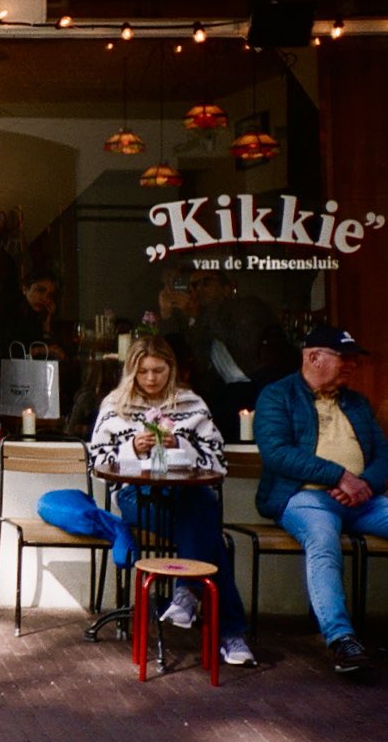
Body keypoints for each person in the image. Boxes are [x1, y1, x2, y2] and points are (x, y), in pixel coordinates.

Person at [87, 336, 256, 667]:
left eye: (159, 371)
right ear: (131, 372)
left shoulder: (191, 403)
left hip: (185, 493)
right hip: (138, 494)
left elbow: (218, 462)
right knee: (209, 531)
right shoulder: (114, 405)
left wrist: (180, 442)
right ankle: (221, 624)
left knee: (201, 503)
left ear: (172, 369)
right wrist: (132, 448)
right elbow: (98, 461)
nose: (151, 379)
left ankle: (187, 596)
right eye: (143, 372)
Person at [253, 325, 388, 675]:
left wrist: (363, 484)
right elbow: (277, 453)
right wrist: (339, 476)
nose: (352, 367)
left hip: (363, 499)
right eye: (344, 359)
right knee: (323, 541)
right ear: (313, 357)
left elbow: (384, 456)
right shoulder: (276, 396)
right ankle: (342, 639)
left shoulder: (356, 402)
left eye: (354, 361)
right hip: (305, 497)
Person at [159, 268, 295, 440]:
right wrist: (167, 314)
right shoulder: (202, 319)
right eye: (193, 285)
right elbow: (192, 359)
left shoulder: (248, 306)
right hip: (225, 392)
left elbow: (243, 343)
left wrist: (199, 315)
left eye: (206, 282)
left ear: (227, 288)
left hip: (261, 386)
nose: (198, 289)